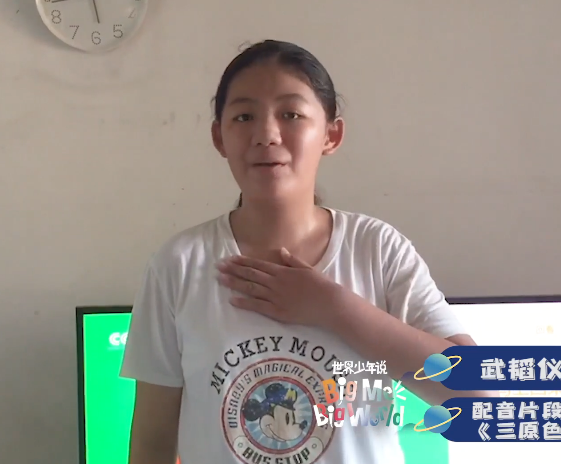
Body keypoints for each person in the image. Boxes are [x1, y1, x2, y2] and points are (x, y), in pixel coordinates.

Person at [120, 39, 487, 464]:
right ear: (219, 137)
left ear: (332, 134)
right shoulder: (179, 265)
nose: (266, 135)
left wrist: (335, 308)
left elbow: (475, 396)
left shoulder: (377, 249)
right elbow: (152, 442)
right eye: (244, 116)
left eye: (291, 114)